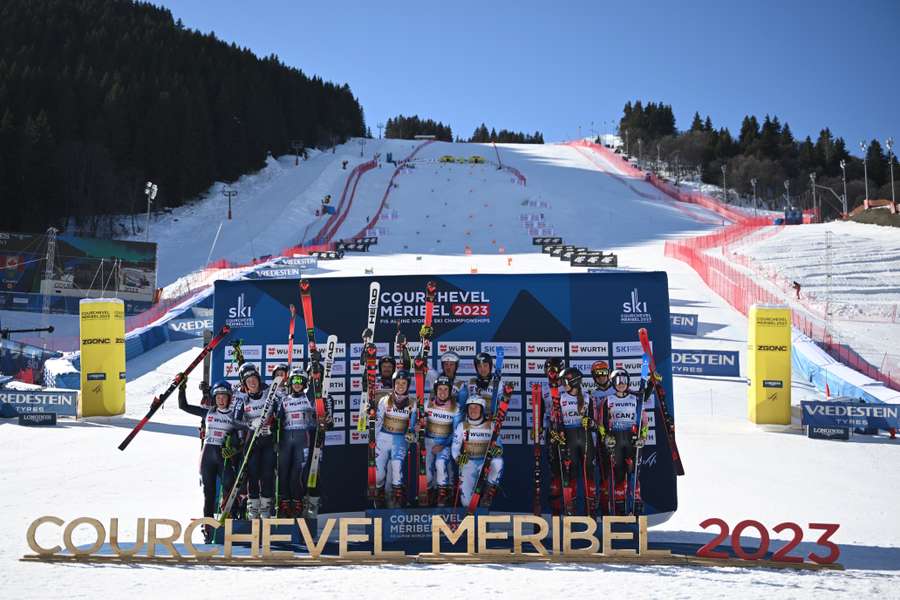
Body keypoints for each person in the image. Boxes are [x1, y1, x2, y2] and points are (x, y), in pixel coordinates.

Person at [178, 377, 247, 542]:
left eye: (224, 396)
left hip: (224, 457)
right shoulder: (208, 412)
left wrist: (234, 449)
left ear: (229, 398)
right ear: (214, 398)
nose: (221, 399)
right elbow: (184, 406)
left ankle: (231, 520)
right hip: (208, 455)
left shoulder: (234, 415)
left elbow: (245, 436)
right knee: (208, 494)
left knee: (230, 490)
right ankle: (208, 526)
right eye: (218, 397)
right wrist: (182, 388)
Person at [232, 363, 281, 519]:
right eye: (248, 381)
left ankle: (266, 508)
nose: (252, 383)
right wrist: (249, 425)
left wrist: (273, 422)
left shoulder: (269, 392)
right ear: (244, 384)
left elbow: (281, 412)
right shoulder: (242, 399)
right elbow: (234, 421)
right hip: (251, 441)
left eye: (254, 379)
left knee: (267, 474)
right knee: (252, 473)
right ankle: (253, 508)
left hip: (267, 440)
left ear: (258, 379)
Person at [598, 368, 649, 516]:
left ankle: (635, 503)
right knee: (618, 472)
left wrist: (643, 437)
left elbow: (644, 422)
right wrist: (605, 437)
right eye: (618, 381)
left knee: (633, 472)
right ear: (613, 383)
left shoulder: (635, 400)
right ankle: (619, 505)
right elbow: (601, 423)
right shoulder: (608, 400)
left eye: (624, 381)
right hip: (616, 439)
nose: (621, 384)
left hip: (632, 439)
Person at [373, 369, 418, 507]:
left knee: (396, 474)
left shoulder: (412, 403)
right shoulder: (385, 401)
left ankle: (394, 503)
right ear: (393, 384)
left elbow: (412, 427)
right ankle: (379, 495)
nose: (400, 386)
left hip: (400, 440)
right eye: (397, 383)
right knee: (379, 475)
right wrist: (373, 440)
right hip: (383, 438)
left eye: (403, 383)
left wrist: (413, 434)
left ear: (408, 385)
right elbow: (378, 422)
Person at [275, 368, 316, 517]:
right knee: (283, 470)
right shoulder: (284, 399)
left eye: (300, 381)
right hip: (286, 437)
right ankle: (285, 501)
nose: (297, 384)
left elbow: (317, 415)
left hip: (302, 436)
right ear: (290, 382)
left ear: (304, 383)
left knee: (297, 473)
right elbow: (278, 420)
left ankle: (298, 501)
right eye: (295, 381)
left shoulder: (308, 398)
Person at [452, 395, 503, 509]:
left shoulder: (491, 425)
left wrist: (496, 451)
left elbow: (500, 448)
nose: (473, 410)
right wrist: (459, 459)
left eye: (476, 407)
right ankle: (470, 519)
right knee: (466, 503)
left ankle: (489, 491)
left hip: (485, 463)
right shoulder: (462, 426)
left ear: (482, 409)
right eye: (470, 407)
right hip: (468, 463)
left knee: (498, 461)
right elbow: (455, 448)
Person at [422, 375, 463, 506]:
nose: (443, 392)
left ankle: (442, 494)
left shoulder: (455, 408)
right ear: (435, 390)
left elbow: (457, 432)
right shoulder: (427, 405)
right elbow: (416, 424)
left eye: (446, 389)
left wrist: (443, 445)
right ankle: (428, 494)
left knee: (440, 464)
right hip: (428, 441)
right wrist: (417, 427)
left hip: (445, 443)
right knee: (426, 474)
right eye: (440, 389)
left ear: (450, 391)